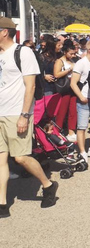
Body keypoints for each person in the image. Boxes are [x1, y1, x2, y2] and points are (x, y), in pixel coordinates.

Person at [0, 17, 59, 218]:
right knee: (0, 159)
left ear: (4, 31)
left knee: (21, 157)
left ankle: (48, 185)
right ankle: (2, 204)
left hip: (16, 112)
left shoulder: (22, 52)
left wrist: (25, 115)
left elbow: (31, 86)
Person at [52, 39, 78, 141]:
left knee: (73, 110)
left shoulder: (72, 61)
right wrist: (69, 70)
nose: (73, 56)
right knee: (62, 111)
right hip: (65, 88)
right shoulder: (60, 61)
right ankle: (57, 131)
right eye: (71, 54)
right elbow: (56, 74)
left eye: (74, 53)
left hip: (73, 86)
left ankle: (71, 131)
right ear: (65, 52)